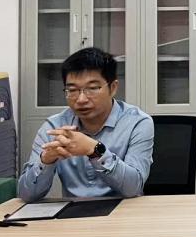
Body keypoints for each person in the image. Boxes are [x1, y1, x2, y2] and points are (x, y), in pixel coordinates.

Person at [18, 47, 154, 202]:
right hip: (74, 213)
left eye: (92, 88)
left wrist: (95, 150)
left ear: (113, 88)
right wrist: (46, 160)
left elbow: (133, 187)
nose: (81, 99)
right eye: (72, 90)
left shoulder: (137, 123)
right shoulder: (54, 126)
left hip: (124, 211)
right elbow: (26, 195)